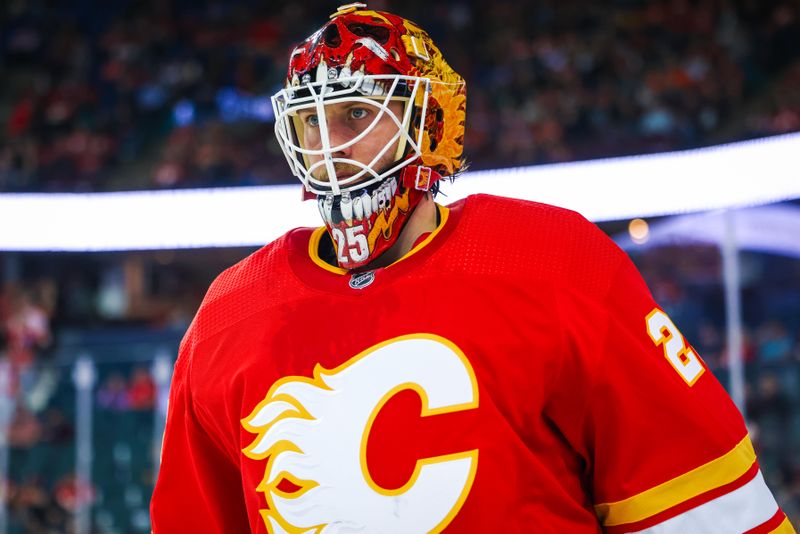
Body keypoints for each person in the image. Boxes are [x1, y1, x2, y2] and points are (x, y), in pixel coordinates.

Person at [151, 4, 794, 533]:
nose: (332, 148)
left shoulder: (553, 260)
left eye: (355, 115)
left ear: (429, 121)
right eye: (311, 123)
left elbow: (702, 509)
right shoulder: (229, 314)